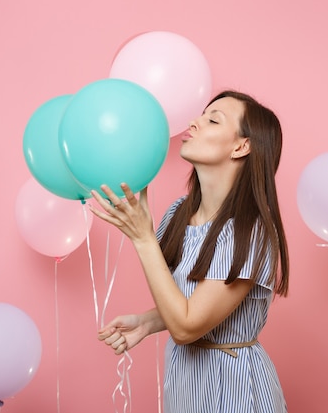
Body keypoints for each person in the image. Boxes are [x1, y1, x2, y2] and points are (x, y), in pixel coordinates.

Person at [90, 90, 290, 412]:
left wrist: (143, 238)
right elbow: (195, 304)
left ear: (241, 146)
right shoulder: (179, 213)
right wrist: (147, 322)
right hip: (186, 388)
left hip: (235, 392)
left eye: (212, 120)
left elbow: (186, 327)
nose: (194, 123)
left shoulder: (250, 232)